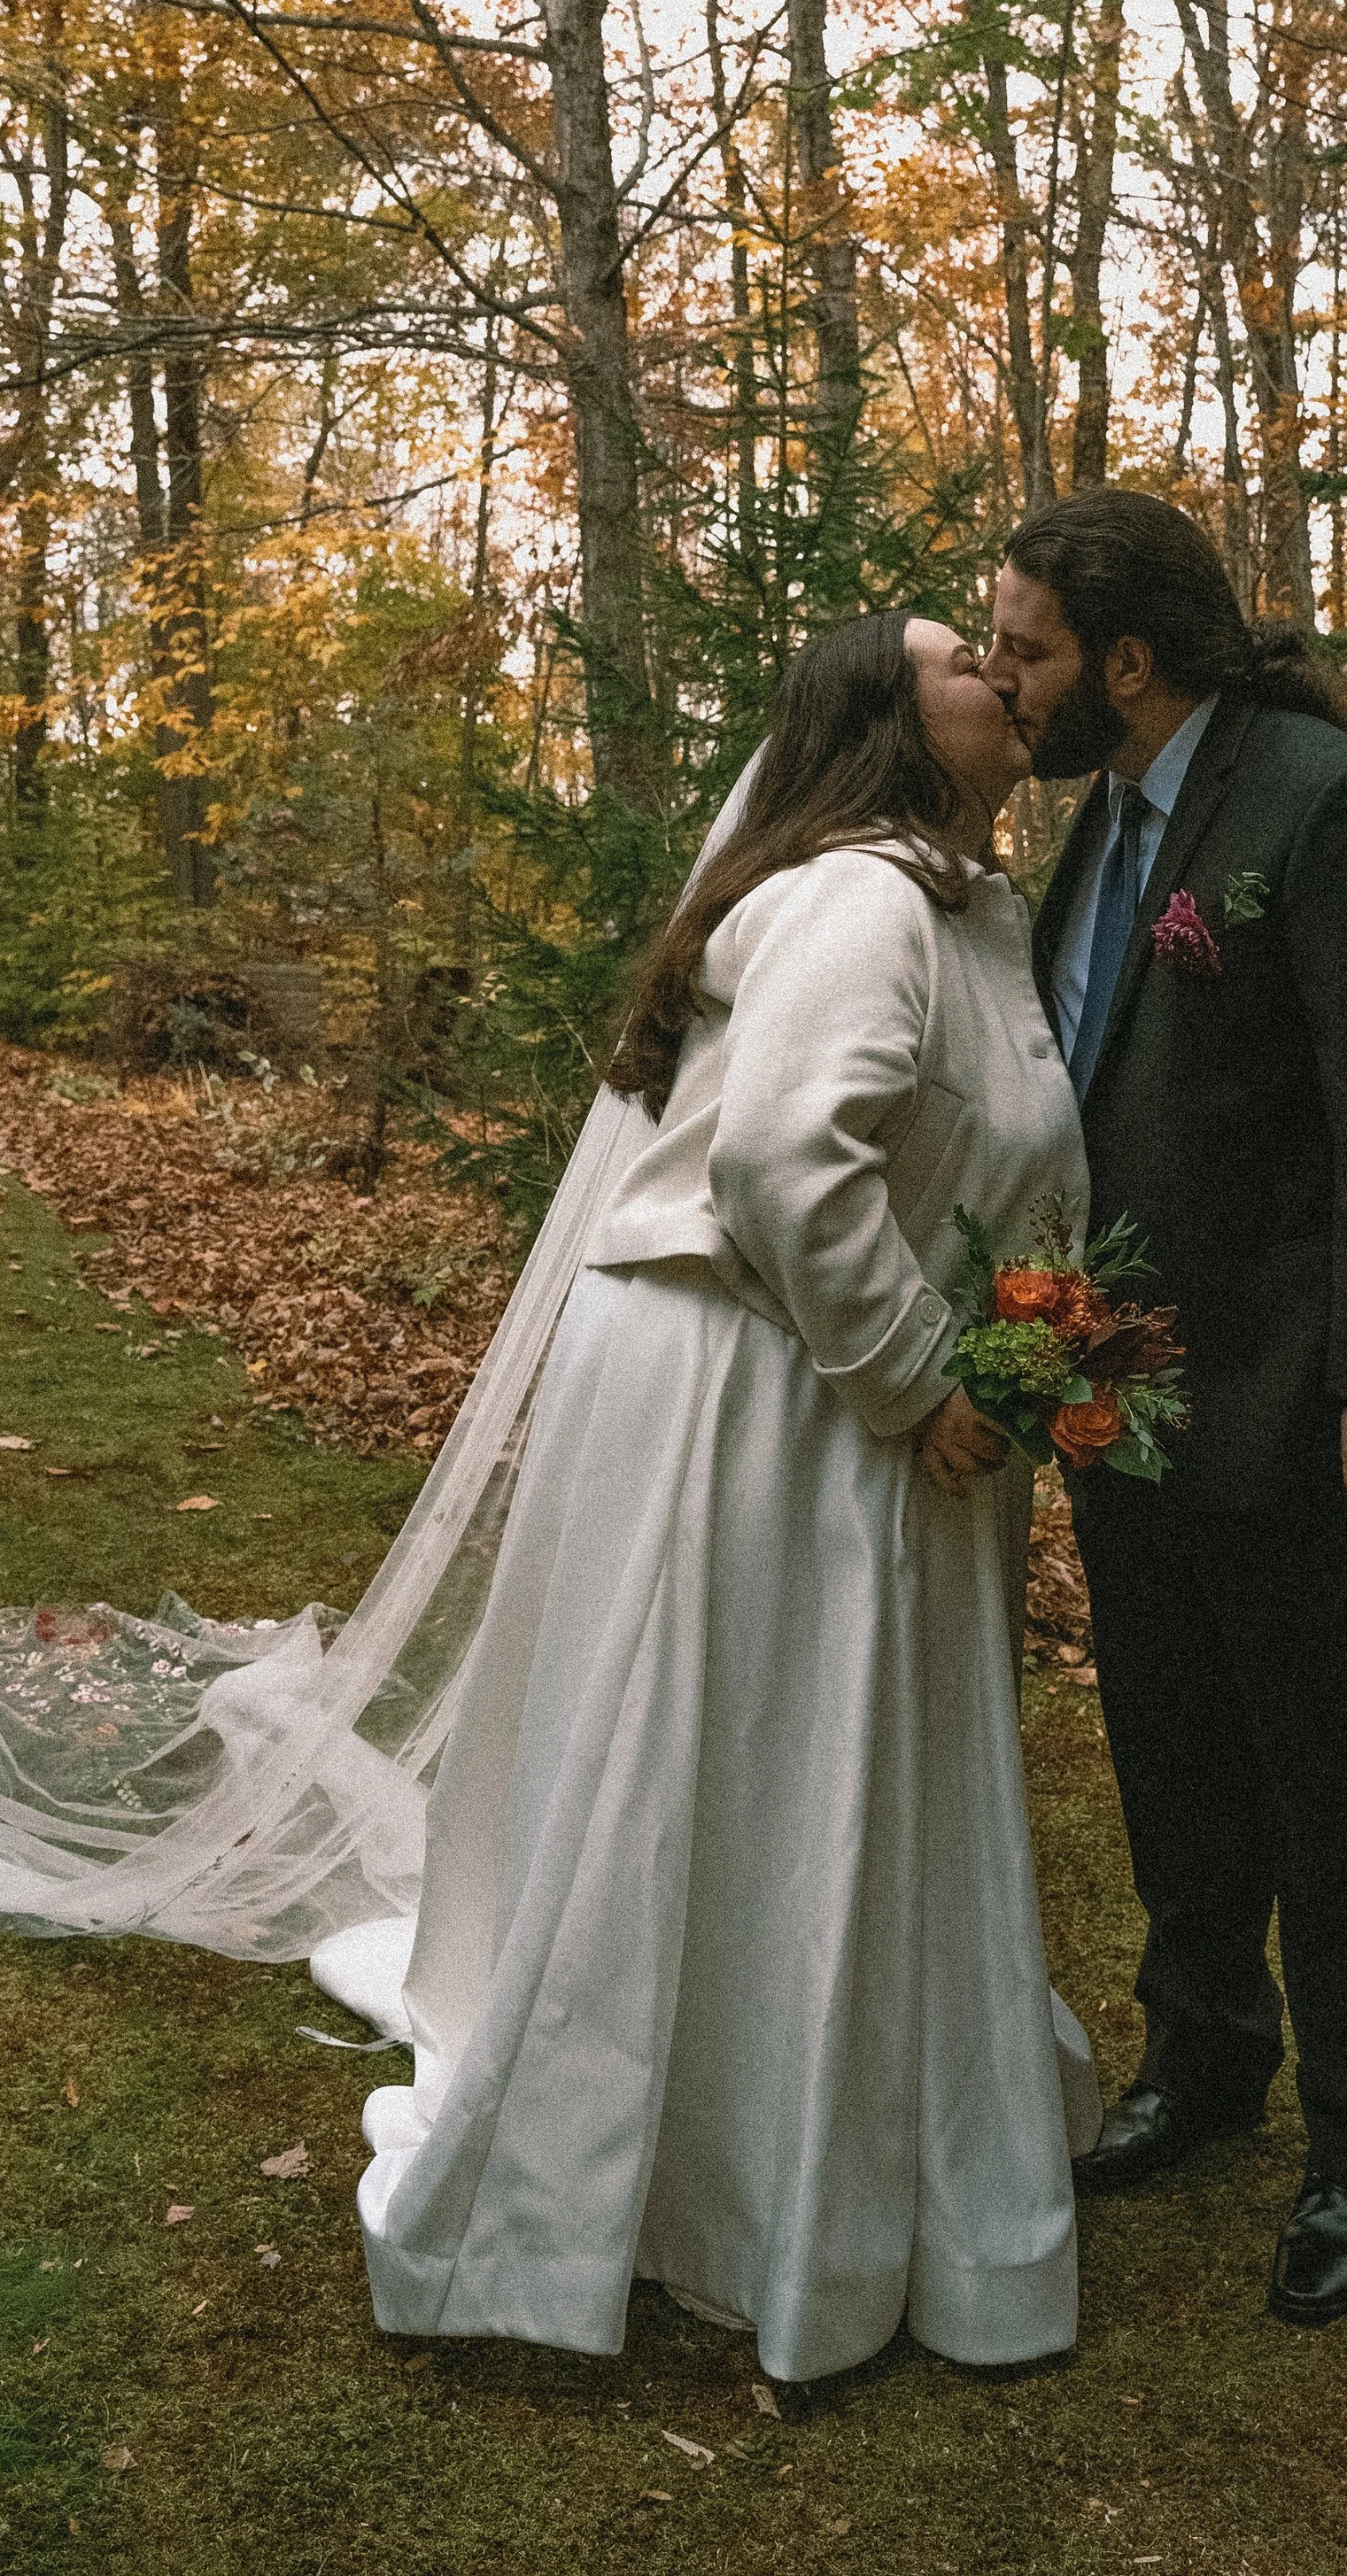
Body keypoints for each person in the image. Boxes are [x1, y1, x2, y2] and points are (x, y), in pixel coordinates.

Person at [342, 610, 1102, 2378]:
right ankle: (698, 2170)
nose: (1002, 675)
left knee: (780, 1758)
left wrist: (1030, 1339)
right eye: (963, 661)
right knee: (744, 1747)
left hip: (782, 1362)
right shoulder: (860, 898)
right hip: (750, 1380)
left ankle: (780, 2116)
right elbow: (776, 1159)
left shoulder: (957, 906)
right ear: (890, 726)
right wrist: (919, 1372)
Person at [983, 491, 1347, 2330]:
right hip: (1131, 1398)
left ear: (1126, 660)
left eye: (1027, 648)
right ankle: (1202, 2056)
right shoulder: (1107, 815)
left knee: (1344, 1777)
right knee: (1175, 1749)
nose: (1001, 677)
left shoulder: (1329, 804)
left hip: (1312, 1408)